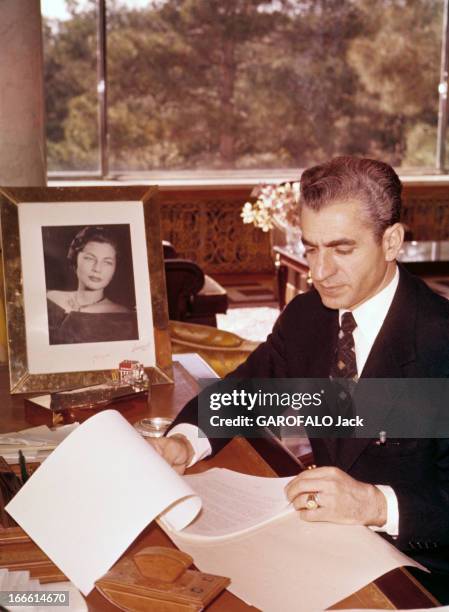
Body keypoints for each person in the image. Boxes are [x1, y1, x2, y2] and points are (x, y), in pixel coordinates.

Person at [152, 157, 449, 598]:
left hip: (417, 577)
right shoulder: (308, 317)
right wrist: (184, 441)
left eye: (342, 249)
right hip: (325, 550)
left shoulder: (439, 340)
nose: (319, 272)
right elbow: (250, 392)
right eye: (311, 248)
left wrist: (373, 504)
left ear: (391, 241)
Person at [46, 226, 138, 344]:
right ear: (75, 259)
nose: (97, 269)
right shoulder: (47, 298)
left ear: (115, 268)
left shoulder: (127, 320)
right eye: (90, 259)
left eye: (107, 262)